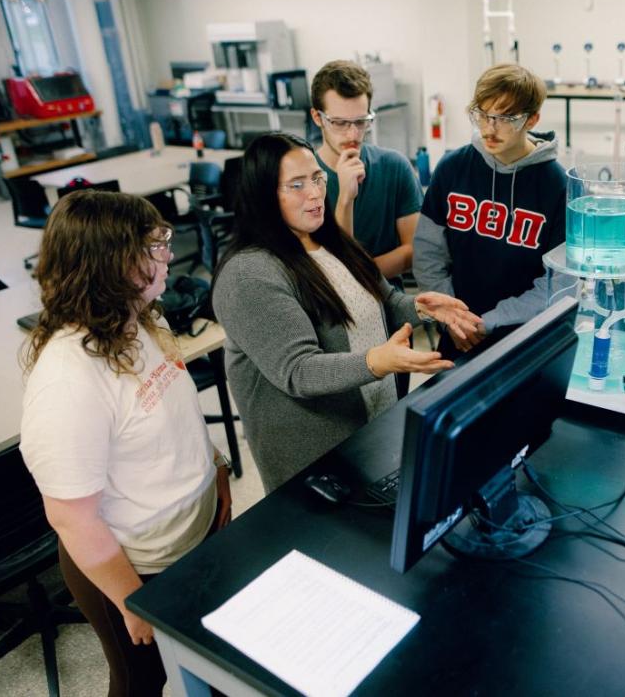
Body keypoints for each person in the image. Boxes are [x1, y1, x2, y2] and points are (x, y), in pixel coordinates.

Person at [20, 191, 232, 697]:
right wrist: (130, 600)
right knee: (142, 681)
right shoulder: (68, 380)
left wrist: (218, 472)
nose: (168, 254)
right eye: (154, 245)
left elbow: (177, 413)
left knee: (203, 656)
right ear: (111, 265)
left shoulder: (139, 319)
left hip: (191, 536)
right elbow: (71, 516)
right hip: (132, 565)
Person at [212, 133, 481, 493]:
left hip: (374, 429)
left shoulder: (331, 240)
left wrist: (422, 308)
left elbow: (383, 300)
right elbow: (299, 370)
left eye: (317, 178)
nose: (315, 193)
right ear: (263, 195)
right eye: (296, 184)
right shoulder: (250, 273)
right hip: (317, 465)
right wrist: (377, 362)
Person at [413, 63, 568, 358]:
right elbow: (428, 254)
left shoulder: (557, 185)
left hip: (523, 340)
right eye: (482, 115)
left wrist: (488, 323)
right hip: (456, 334)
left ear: (532, 119)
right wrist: (453, 319)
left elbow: (558, 283)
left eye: (506, 118)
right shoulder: (452, 168)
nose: (489, 128)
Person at [309, 60, 422, 285]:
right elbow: (321, 268)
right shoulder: (303, 180)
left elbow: (414, 251)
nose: (352, 134)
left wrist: (358, 276)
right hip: (327, 310)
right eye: (339, 123)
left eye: (361, 121)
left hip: (389, 307)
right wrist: (345, 198)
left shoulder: (394, 167)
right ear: (317, 118)